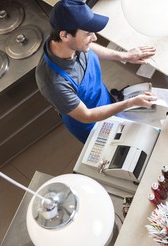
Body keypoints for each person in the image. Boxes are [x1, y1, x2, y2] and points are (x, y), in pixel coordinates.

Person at [36, 0, 157, 143]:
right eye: (88, 34)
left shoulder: (67, 42)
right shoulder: (54, 83)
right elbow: (86, 115)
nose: (94, 38)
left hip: (105, 100)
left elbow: (89, 47)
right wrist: (130, 103)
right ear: (64, 36)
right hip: (91, 124)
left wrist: (124, 56)